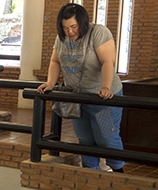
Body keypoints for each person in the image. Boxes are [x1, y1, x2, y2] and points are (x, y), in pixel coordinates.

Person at [37, 3, 125, 173]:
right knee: (85, 138)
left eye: (73, 26)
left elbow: (108, 62)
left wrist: (105, 87)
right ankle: (89, 173)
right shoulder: (61, 37)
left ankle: (118, 171)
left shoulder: (98, 32)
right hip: (77, 98)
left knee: (106, 137)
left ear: (82, 22)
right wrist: (50, 83)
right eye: (65, 28)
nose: (69, 32)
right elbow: (55, 61)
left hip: (101, 99)